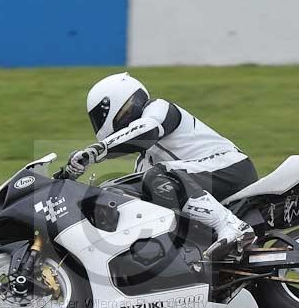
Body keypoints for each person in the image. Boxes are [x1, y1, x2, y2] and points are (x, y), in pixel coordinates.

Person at [66, 72, 258, 259]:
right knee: (137, 191)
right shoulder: (145, 160)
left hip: (232, 168)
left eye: (99, 116)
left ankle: (232, 226)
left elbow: (146, 130)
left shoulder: (159, 108)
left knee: (158, 174)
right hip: (206, 180)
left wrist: (98, 150)